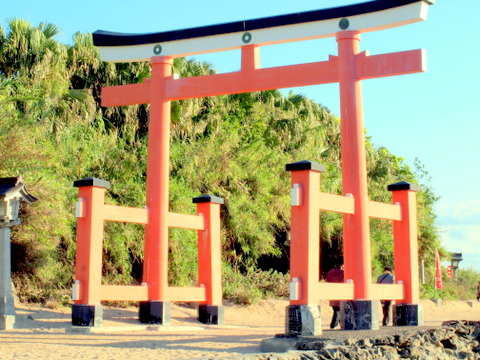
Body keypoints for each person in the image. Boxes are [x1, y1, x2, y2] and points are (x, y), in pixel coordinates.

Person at [325, 264, 344, 329]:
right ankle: (333, 325)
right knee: (338, 310)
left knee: (336, 309)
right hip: (340, 293)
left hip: (332, 293)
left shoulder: (330, 272)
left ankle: (339, 324)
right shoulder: (343, 273)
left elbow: (327, 281)